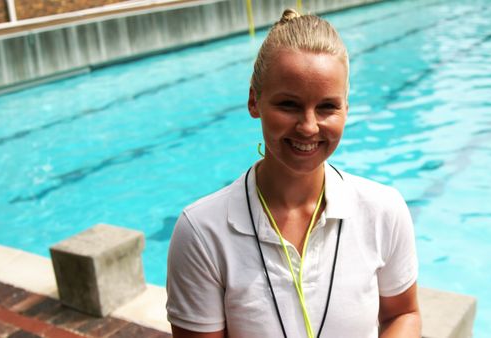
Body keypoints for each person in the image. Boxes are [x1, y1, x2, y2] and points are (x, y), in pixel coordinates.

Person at [166, 8, 420, 338]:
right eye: (288, 105)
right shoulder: (202, 232)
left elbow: (403, 313)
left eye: (327, 106)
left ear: (347, 108)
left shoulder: (383, 210)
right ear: (254, 101)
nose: (308, 126)